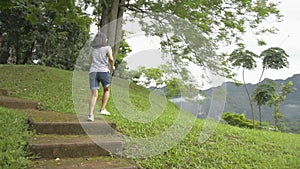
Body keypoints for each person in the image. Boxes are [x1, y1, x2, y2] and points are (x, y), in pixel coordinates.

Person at [88, 32, 115, 121]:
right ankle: (102, 109)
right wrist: (112, 66)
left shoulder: (93, 49)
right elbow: (111, 59)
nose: (107, 39)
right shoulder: (107, 48)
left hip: (93, 72)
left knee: (94, 94)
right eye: (106, 38)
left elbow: (90, 60)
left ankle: (90, 115)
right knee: (107, 89)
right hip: (103, 71)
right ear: (103, 40)